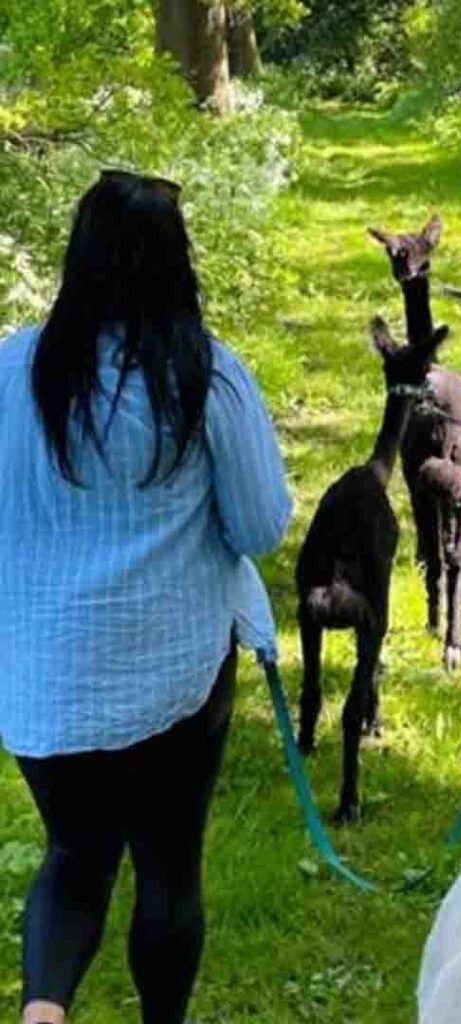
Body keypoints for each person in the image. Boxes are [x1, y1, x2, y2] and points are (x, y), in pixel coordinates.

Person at [0, 170, 291, 1024]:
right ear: (179, 264)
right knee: (168, 867)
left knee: (73, 855)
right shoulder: (206, 376)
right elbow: (261, 525)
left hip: (46, 673)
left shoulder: (13, 365)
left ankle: (43, 1010)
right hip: (175, 672)